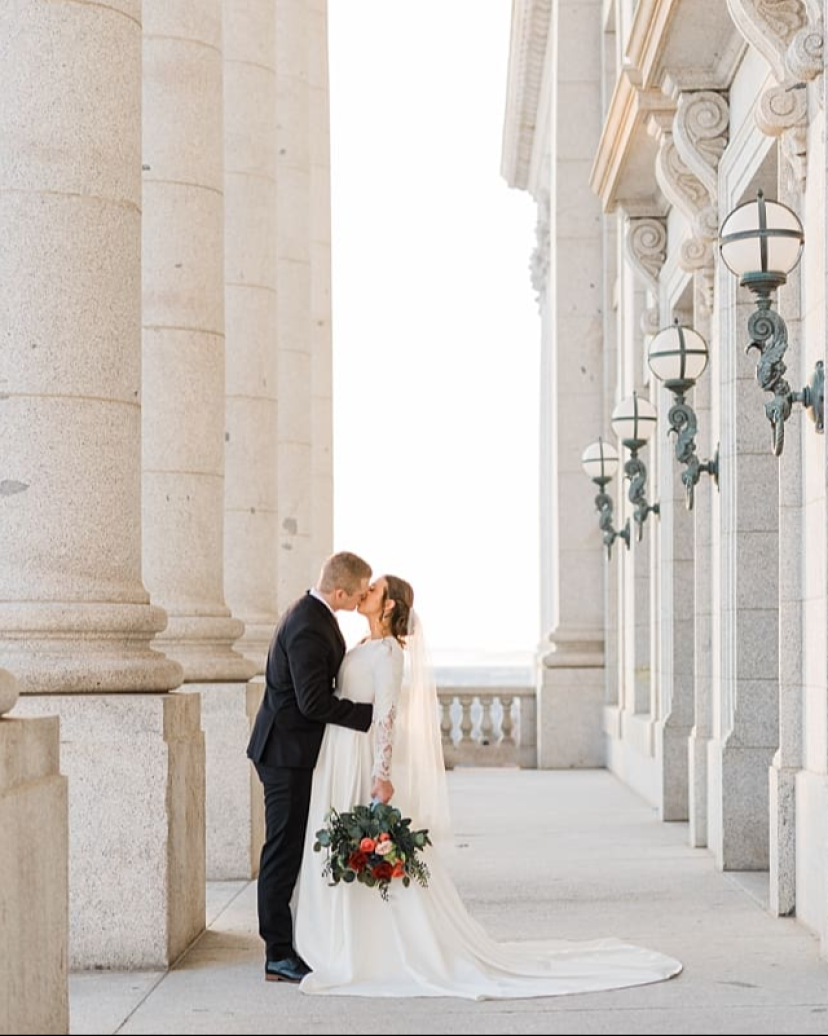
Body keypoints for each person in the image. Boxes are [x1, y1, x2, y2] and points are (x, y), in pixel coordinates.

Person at [293, 575, 682, 999]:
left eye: (374, 589)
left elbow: (386, 716)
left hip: (366, 761)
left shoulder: (389, 654)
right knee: (347, 847)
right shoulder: (362, 646)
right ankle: (346, 938)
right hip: (341, 758)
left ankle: (384, 948)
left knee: (377, 853)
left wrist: (380, 775)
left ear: (388, 606)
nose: (364, 590)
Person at [248, 551, 381, 984]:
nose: (363, 599)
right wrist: (370, 716)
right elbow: (313, 702)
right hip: (285, 755)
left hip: (292, 751)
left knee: (290, 848)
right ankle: (277, 955)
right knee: (282, 852)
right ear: (339, 592)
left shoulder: (315, 615)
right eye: (360, 593)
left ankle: (291, 942)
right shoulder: (307, 624)